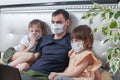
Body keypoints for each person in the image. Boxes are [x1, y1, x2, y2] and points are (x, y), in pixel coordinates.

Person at [21, 9, 71, 80]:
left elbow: (74, 64)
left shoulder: (72, 40)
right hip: (30, 71)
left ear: (67, 22)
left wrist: (61, 75)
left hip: (46, 76)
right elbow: (34, 57)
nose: (55, 25)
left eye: (59, 22)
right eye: (53, 22)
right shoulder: (44, 39)